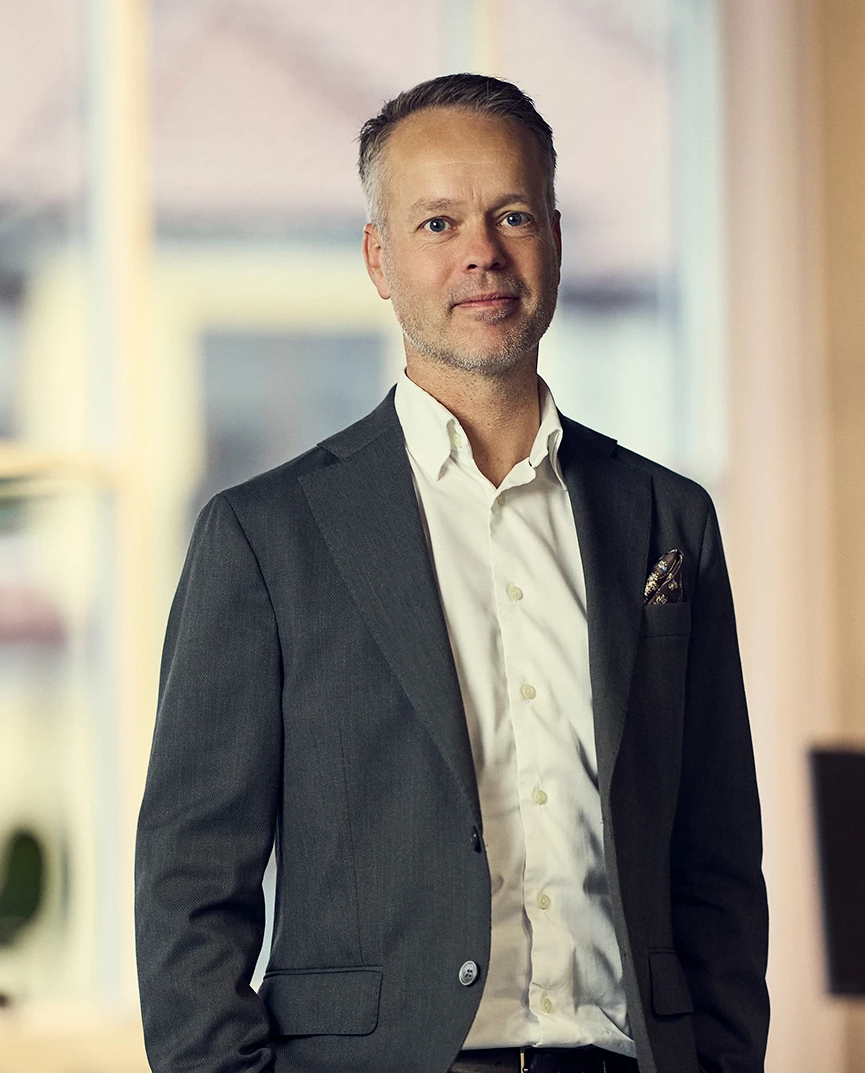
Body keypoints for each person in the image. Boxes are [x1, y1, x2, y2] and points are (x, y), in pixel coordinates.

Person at [135, 73, 768, 1073]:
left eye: (510, 214)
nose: (482, 251)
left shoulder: (665, 519)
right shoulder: (265, 538)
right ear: (379, 260)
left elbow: (719, 862)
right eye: (437, 223)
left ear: (552, 238)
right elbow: (188, 884)